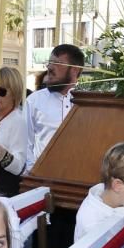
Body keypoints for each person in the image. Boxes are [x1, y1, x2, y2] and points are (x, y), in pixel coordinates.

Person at [24, 44, 84, 175]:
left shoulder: (88, 102)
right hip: (42, 178)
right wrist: (32, 171)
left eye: (56, 63)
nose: (50, 67)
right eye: (49, 62)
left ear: (74, 70)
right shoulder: (34, 100)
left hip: (79, 177)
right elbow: (25, 142)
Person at [0, 66, 28, 197]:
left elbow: (18, 166)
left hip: (5, 188)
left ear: (14, 92)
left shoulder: (18, 120)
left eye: (1, 91)